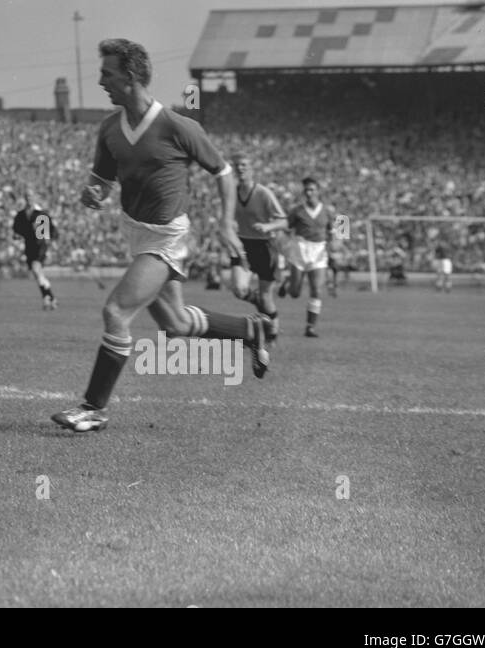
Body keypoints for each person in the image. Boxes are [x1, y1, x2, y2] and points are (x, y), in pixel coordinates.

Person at [50, 39, 274, 435]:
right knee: (176, 324)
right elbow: (101, 179)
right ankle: (249, 329)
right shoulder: (108, 129)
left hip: (168, 237)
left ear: (132, 76)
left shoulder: (177, 126)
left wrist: (225, 224)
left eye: (108, 73)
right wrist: (94, 193)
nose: (101, 80)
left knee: (116, 311)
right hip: (137, 235)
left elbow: (222, 173)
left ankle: (93, 408)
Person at [229, 154, 285, 342]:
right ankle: (261, 306)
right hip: (243, 244)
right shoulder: (231, 193)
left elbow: (283, 221)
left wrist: (268, 226)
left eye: (244, 165)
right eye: (237, 166)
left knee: (266, 295)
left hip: (264, 246)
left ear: (252, 169)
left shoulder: (263, 193)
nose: (240, 168)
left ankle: (273, 331)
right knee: (238, 289)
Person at [284, 177, 337, 337]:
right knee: (294, 293)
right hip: (300, 249)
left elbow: (342, 228)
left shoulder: (329, 210)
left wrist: (336, 245)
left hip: (319, 251)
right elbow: (286, 228)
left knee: (317, 290)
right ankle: (288, 285)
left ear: (318, 191)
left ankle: (310, 327)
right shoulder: (296, 210)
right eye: (306, 190)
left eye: (312, 189)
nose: (308, 193)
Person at [12, 187, 58, 309]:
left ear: (36, 197)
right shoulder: (21, 215)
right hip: (29, 247)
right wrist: (18, 235)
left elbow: (49, 232)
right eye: (27, 196)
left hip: (40, 247)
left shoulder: (41, 214)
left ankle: (47, 297)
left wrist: (45, 237)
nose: (29, 198)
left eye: (31, 196)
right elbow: (17, 230)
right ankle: (49, 297)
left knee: (36, 269)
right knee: (37, 274)